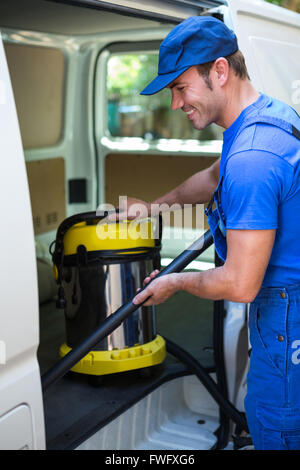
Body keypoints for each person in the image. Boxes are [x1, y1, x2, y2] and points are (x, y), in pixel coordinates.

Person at [116, 16, 300, 450]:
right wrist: (152, 207)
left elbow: (239, 282)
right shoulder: (269, 116)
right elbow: (216, 176)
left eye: (181, 88)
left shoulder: (253, 158)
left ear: (220, 70)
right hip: (285, 309)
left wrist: (174, 282)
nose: (176, 104)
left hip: (286, 320)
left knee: (276, 426)